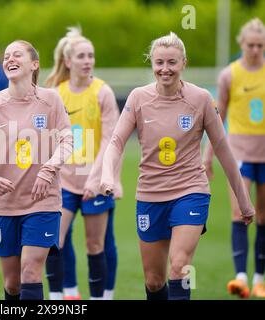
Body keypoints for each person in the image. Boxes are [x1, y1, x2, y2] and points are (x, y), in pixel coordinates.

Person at [101, 32, 255, 300]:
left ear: (184, 62)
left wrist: (244, 201)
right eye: (159, 63)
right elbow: (115, 142)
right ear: (151, 63)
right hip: (150, 195)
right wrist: (108, 177)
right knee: (153, 280)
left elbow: (223, 150)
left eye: (172, 62)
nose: (165, 69)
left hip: (190, 192)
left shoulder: (201, 99)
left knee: (178, 266)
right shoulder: (138, 98)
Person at [0, 40, 73, 300]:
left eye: (17, 54)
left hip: (42, 203)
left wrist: (49, 169)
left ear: (34, 64)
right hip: (4, 206)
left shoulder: (50, 99)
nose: (10, 59)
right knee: (12, 283)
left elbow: (68, 140)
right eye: (6, 56)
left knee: (30, 272)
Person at [44, 27, 122, 300]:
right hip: (64, 182)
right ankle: (65, 296)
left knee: (96, 244)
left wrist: (102, 178)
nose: (88, 61)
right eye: (81, 56)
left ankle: (101, 296)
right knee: (55, 241)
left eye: (91, 56)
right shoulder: (56, 93)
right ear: (68, 61)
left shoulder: (103, 93)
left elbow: (111, 141)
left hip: (95, 181)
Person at [203, 18, 265, 298]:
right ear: (242, 44)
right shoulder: (229, 75)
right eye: (250, 45)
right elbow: (218, 117)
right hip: (239, 153)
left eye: (260, 45)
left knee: (263, 216)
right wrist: (207, 156)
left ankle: (259, 278)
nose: (255, 50)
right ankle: (240, 276)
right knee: (241, 212)